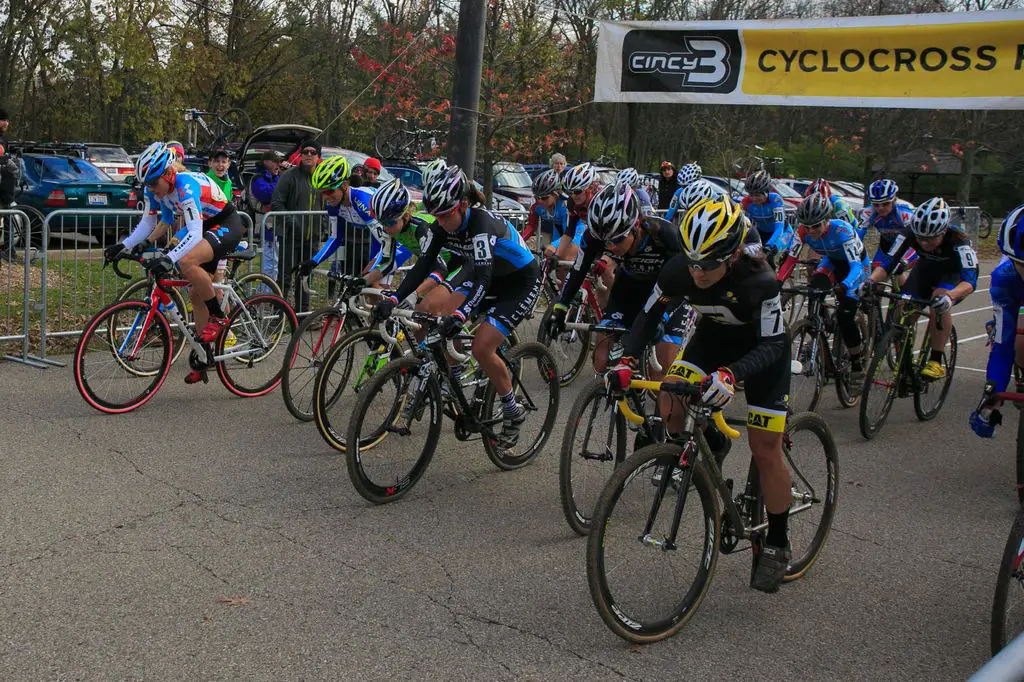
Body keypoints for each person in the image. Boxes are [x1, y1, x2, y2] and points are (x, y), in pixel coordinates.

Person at [604, 196, 793, 593]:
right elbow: (649, 316)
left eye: (708, 265)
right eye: (692, 261)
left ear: (733, 254)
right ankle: (711, 443)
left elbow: (774, 344)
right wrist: (627, 361)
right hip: (714, 340)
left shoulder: (760, 281)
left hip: (761, 356)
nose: (698, 272)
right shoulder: (679, 271)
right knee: (671, 400)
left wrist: (731, 374)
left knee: (765, 448)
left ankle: (777, 540)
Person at [372, 165, 539, 448]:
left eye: (446, 214)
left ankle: (513, 410)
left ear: (462, 205)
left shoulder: (481, 225)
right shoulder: (440, 226)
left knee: (482, 346)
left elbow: (483, 277)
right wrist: (393, 299)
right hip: (487, 277)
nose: (442, 221)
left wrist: (461, 315)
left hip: (518, 281)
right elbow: (422, 267)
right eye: (437, 215)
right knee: (429, 316)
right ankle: (456, 375)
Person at [106, 142, 245, 384]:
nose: (150, 190)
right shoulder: (155, 188)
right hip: (207, 226)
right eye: (146, 185)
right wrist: (124, 245)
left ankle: (218, 316)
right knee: (195, 295)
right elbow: (149, 224)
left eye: (153, 184)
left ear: (169, 174)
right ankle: (205, 355)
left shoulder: (185, 184)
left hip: (226, 222)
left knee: (186, 262)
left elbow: (193, 233)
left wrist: (169, 258)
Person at [546, 182, 688, 379]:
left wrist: (662, 317)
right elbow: (578, 271)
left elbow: (684, 281)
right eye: (606, 242)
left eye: (618, 239)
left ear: (635, 226)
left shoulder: (664, 234)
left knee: (663, 371)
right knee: (601, 359)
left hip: (667, 294)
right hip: (629, 289)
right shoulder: (596, 237)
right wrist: (561, 307)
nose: (611, 246)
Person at [865, 197, 976, 380]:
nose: (924, 243)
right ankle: (904, 358)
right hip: (925, 270)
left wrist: (951, 296)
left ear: (944, 231)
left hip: (951, 276)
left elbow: (970, 281)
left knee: (938, 300)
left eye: (931, 238)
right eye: (920, 238)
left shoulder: (960, 242)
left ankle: (935, 360)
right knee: (901, 311)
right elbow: (888, 263)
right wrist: (869, 281)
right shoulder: (909, 232)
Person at [790, 194, 869, 384]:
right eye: (807, 226)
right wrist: (777, 281)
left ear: (826, 220)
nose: (811, 231)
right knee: (813, 295)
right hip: (832, 263)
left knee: (845, 316)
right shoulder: (803, 231)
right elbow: (790, 259)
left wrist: (845, 285)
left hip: (855, 268)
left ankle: (857, 363)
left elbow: (856, 266)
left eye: (816, 226)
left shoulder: (842, 230)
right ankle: (819, 335)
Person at [971, 203, 1024, 437]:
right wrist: (993, 395)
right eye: (1023, 265)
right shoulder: (1004, 278)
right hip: (1014, 293)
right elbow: (1002, 346)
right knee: (1015, 343)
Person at [300, 155, 384, 287]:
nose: (326, 197)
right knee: (363, 286)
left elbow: (384, 243)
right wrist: (313, 262)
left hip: (396, 237)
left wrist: (370, 271)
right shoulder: (334, 205)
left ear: (344, 185)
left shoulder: (362, 201)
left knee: (373, 285)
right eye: (322, 192)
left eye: (329, 191)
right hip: (380, 240)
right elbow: (335, 238)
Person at [271, 138, 323, 311]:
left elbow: (327, 204)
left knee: (306, 276)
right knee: (285, 276)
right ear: (300, 155)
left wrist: (324, 227)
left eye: (312, 152)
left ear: (318, 156)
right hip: (289, 235)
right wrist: (292, 221)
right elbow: (277, 203)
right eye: (305, 152)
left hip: (312, 237)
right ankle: (279, 314)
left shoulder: (321, 178)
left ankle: (302, 314)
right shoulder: (289, 176)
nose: (308, 155)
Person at [522, 170, 577, 268]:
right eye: (537, 197)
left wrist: (554, 245)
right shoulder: (537, 207)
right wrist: (518, 241)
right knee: (551, 268)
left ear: (556, 194)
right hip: (560, 235)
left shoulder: (565, 206)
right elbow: (531, 226)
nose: (540, 201)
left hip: (576, 234)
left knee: (566, 260)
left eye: (544, 198)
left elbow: (569, 233)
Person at [860, 178, 915, 271]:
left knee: (896, 269)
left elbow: (916, 238)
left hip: (907, 245)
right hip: (886, 245)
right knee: (875, 276)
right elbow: (858, 233)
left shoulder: (905, 213)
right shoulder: (869, 212)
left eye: (885, 204)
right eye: (876, 205)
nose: (880, 208)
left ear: (894, 200)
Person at [740, 170, 794, 261]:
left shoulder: (775, 199)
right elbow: (742, 223)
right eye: (751, 195)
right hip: (762, 233)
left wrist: (769, 246)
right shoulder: (746, 201)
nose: (754, 198)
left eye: (757, 195)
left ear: (767, 192)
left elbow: (779, 228)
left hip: (782, 233)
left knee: (770, 257)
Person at [251, 150, 283, 282]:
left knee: (276, 263)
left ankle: (271, 293)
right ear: (266, 162)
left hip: (276, 226)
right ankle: (266, 293)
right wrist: (281, 181)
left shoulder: (276, 177)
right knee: (269, 264)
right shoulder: (258, 179)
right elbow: (268, 194)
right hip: (267, 226)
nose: (278, 165)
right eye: (275, 162)